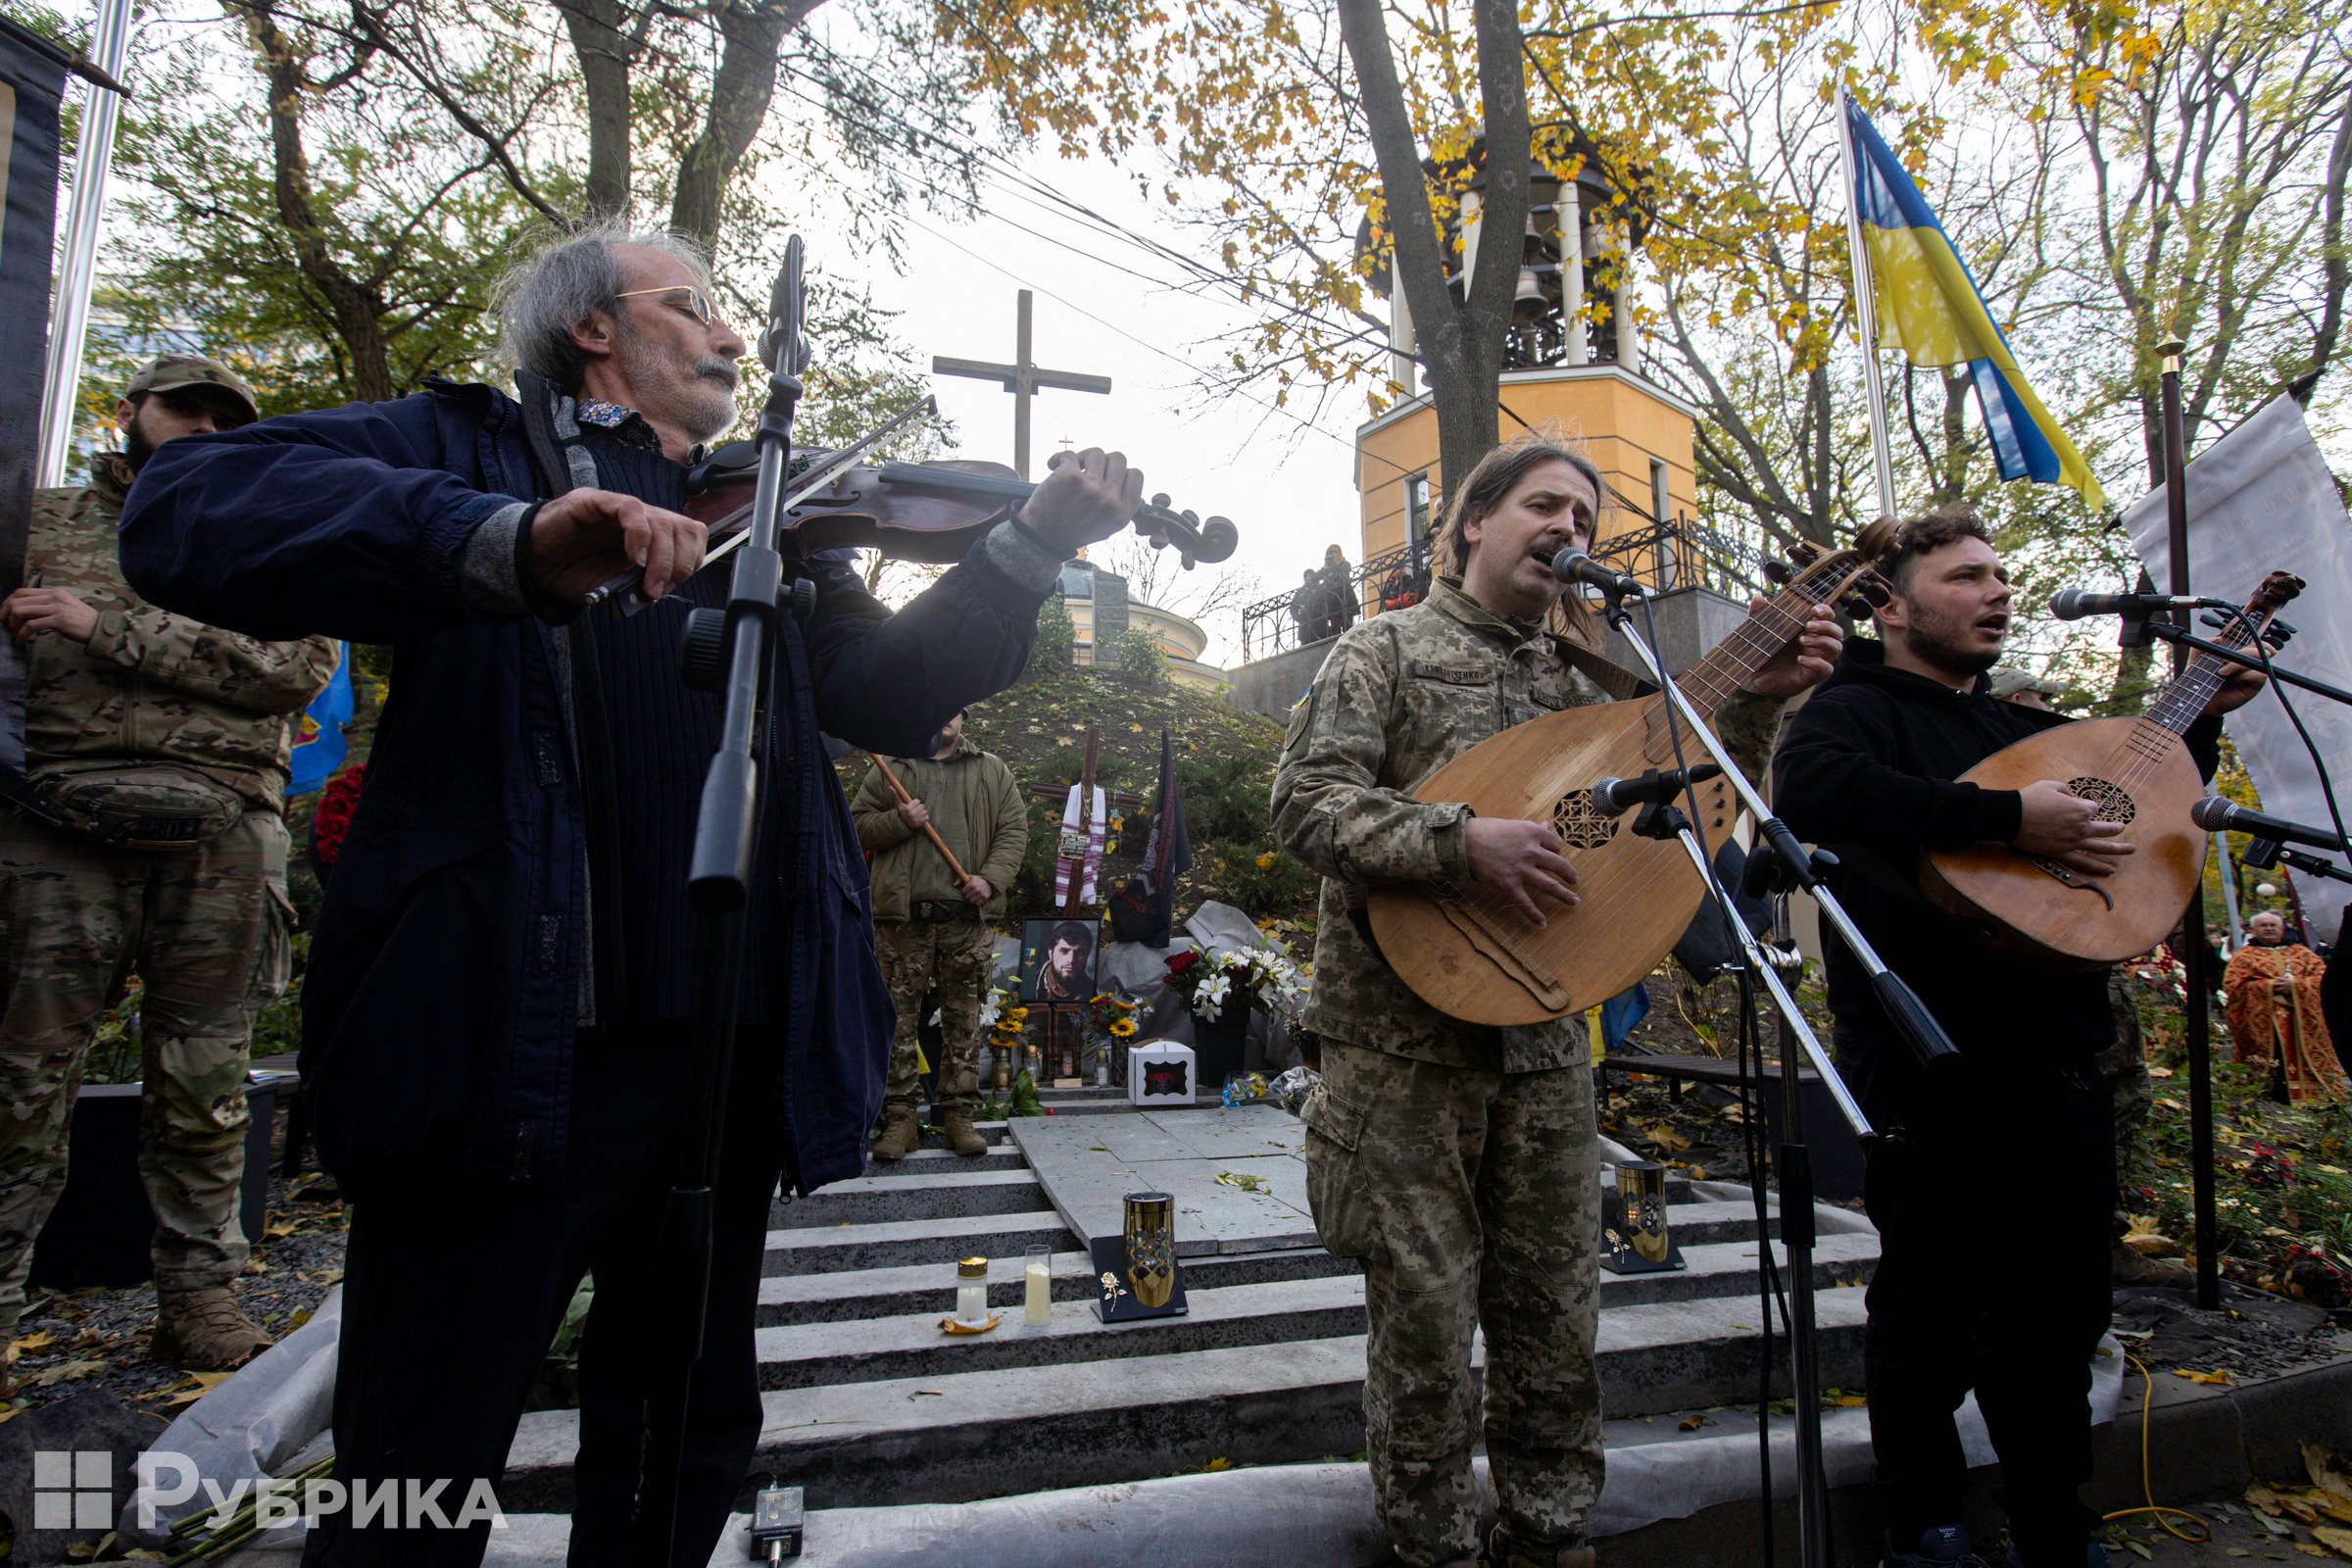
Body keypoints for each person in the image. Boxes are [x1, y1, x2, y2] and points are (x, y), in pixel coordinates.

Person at [118, 220, 1144, 1568]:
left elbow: (885, 691)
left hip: (723, 1053)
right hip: (507, 1046)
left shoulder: (769, 512)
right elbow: (185, 510)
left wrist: (1023, 550)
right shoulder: (462, 445)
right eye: (695, 305)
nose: (729, 334)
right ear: (593, 328)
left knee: (684, 1431)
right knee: (420, 1451)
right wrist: (508, 540)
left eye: (726, 312)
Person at [1271, 430, 1840, 1568]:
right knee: (1427, 1315)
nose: (1568, 533)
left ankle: (1551, 1532)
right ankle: (1432, 1544)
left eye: (1584, 520)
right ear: (1472, 522)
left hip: (1541, 1034)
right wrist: (1456, 840)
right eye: (1543, 506)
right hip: (1402, 1040)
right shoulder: (1383, 649)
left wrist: (1762, 704)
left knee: (1554, 1308)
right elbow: (1304, 807)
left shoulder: (1586, 673)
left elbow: (1686, 807)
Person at [1773, 509, 2264, 1568]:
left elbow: (2133, 810)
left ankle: (2052, 1514)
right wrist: (2001, 822)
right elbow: (1810, 789)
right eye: (1965, 578)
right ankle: (1923, 1517)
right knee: (1933, 1303)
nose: (1995, 592)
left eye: (2000, 576)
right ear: (1894, 607)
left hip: (2061, 1052)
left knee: (2058, 1307)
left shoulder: (2014, 733)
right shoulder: (1853, 708)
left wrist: (2205, 721)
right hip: (1931, 1057)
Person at [0, 356, 339, 1391]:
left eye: (219, 417)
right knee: (20, 1077)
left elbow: (293, 666)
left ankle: (199, 1300)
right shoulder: (39, 520)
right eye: (179, 409)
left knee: (205, 1082)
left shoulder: (271, 530)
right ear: (130, 413)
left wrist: (98, 625)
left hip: (222, 828)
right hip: (57, 820)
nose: (198, 427)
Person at [851, 709, 1027, 1160]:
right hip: (901, 921)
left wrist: (989, 879)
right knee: (895, 1022)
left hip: (964, 920)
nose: (944, 715)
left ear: (964, 717)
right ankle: (900, 1120)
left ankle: (958, 1118)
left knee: (964, 1021)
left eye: (954, 707)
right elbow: (855, 826)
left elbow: (1013, 830)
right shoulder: (893, 767)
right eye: (938, 704)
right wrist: (899, 820)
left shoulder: (991, 769)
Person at [2223, 910, 2344, 1102]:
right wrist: (2268, 986)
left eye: (2273, 925)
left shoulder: (2302, 953)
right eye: (2263, 925)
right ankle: (2272, 1094)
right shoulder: (2243, 957)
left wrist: (2296, 986)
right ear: (2252, 930)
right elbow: (2233, 986)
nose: (2269, 928)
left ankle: (2317, 1097)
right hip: (2266, 1022)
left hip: (2303, 1019)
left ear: (2282, 929)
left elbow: (2323, 978)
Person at [1030, 919, 1096, 1003]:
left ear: (1087, 955)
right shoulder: (1030, 984)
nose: (1071, 960)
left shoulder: (1093, 991)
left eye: (1079, 952)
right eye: (1064, 951)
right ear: (1051, 953)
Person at [1317, 542, 1357, 638]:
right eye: (1331, 552)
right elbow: (1316, 577)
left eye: (1336, 552)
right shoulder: (1327, 567)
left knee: (1347, 623)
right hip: (1333, 599)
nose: (1334, 554)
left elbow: (1342, 573)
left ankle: (1349, 639)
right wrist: (1326, 565)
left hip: (1345, 596)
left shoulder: (1345, 564)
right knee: (1334, 624)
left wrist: (1331, 567)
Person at [1291, 568, 1330, 645]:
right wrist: (1298, 617)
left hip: (1319, 621)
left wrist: (1324, 613)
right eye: (1306, 576)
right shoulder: (1300, 591)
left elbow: (1326, 601)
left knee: (1321, 644)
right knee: (1305, 645)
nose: (1308, 578)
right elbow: (1293, 606)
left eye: (1310, 576)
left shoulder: (1320, 588)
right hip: (1304, 623)